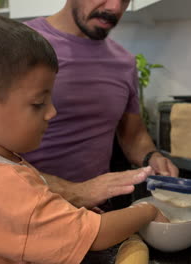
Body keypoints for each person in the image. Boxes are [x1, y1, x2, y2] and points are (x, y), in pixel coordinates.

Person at [0, 12, 168, 263]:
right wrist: (147, 211)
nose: (52, 112)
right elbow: (96, 235)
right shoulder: (2, 182)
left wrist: (64, 212)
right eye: (38, 103)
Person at [22, 0, 179, 208]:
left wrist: (152, 156)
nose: (114, 8)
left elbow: (133, 134)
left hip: (95, 213)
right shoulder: (18, 44)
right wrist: (74, 192)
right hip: (27, 210)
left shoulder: (124, 62)